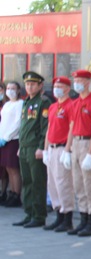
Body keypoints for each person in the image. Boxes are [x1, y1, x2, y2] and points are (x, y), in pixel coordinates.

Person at [64, 69, 91, 237]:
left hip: (87, 142)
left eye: (80, 80)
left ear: (88, 82)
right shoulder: (75, 103)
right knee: (78, 184)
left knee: (89, 184)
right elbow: (71, 127)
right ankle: (83, 218)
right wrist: (67, 149)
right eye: (76, 80)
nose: (77, 84)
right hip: (76, 142)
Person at [12, 71, 51, 228]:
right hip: (25, 147)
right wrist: (20, 146)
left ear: (40, 86)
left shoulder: (43, 102)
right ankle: (29, 213)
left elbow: (44, 127)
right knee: (27, 181)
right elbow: (24, 127)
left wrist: (41, 147)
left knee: (37, 182)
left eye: (33, 84)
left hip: (35, 147)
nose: (29, 87)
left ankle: (39, 215)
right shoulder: (26, 102)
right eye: (27, 84)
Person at [43, 77, 76, 232]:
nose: (56, 89)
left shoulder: (71, 106)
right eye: (55, 86)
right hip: (52, 148)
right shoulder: (53, 106)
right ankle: (59, 216)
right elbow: (49, 128)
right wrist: (45, 149)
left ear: (67, 89)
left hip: (62, 148)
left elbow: (72, 129)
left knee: (63, 183)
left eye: (60, 86)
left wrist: (68, 150)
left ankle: (67, 218)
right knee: (52, 184)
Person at [0, 81, 24, 208]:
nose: (10, 90)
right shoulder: (7, 104)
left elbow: (17, 123)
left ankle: (16, 195)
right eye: (8, 88)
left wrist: (7, 137)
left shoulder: (20, 104)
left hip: (13, 139)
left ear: (18, 90)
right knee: (8, 169)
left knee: (14, 169)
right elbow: (3, 122)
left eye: (13, 88)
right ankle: (11, 193)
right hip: (4, 139)